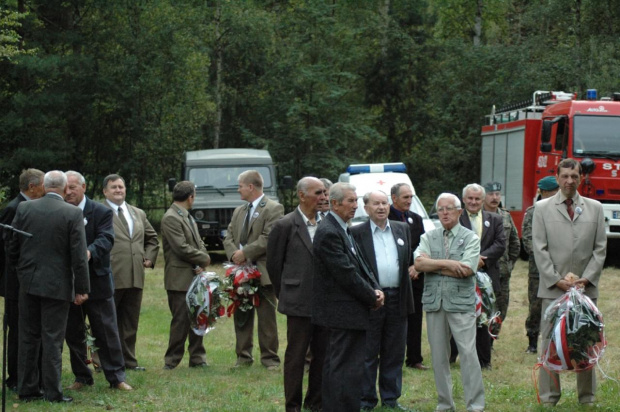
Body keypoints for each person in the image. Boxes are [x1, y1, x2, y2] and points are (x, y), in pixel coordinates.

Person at [8, 170, 90, 403]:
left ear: (43, 186)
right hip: (58, 285)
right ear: (65, 189)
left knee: (28, 338)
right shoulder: (72, 213)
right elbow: (78, 255)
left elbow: (13, 245)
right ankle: (53, 392)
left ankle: (27, 390)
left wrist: (21, 271)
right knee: (53, 339)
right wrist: (82, 288)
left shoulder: (25, 208)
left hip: (29, 283)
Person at [533, 158, 606, 407]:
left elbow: (600, 248)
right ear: (557, 176)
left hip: (586, 290)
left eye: (574, 176)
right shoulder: (542, 209)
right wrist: (556, 279)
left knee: (585, 341)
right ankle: (548, 397)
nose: (569, 181)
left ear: (580, 177)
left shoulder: (595, 208)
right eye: (564, 176)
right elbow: (539, 249)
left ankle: (587, 398)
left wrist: (587, 278)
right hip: (554, 290)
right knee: (550, 342)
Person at [312, 182, 384, 412]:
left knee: (350, 368)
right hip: (340, 313)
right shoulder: (329, 232)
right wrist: (371, 296)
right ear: (334, 203)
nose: (356, 206)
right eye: (351, 201)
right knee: (342, 368)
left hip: (351, 311)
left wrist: (375, 287)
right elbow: (345, 273)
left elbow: (361, 264)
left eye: (356, 200)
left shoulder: (344, 227)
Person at [414, 193, 485, 412]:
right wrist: (448, 264)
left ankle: (475, 406)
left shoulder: (471, 237)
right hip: (435, 303)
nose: (444, 213)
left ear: (459, 211)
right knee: (438, 356)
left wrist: (432, 265)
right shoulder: (429, 236)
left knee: (468, 354)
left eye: (449, 208)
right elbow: (418, 263)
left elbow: (466, 269)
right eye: (440, 209)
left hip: (461, 303)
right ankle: (445, 405)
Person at [63, 171, 132, 391]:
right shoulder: (61, 211)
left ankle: (116, 377)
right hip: (69, 282)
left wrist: (90, 252)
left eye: (73, 187)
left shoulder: (100, 211)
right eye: (65, 187)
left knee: (106, 331)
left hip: (97, 281)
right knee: (74, 332)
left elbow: (107, 238)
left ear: (83, 187)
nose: (68, 191)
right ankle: (82, 376)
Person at [267, 177, 328, 412]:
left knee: (322, 355)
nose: (323, 197)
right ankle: (292, 406)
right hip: (297, 301)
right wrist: (286, 294)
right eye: (318, 193)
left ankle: (315, 403)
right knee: (296, 356)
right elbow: (274, 265)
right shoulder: (285, 225)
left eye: (324, 192)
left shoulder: (327, 223)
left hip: (325, 302)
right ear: (302, 196)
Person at [352, 191, 414, 410]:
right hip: (371, 299)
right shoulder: (356, 233)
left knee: (394, 351)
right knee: (368, 352)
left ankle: (390, 399)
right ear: (366, 208)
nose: (381, 207)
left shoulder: (402, 229)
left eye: (384, 203)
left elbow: (408, 261)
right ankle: (366, 400)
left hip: (398, 297)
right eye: (375, 204)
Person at [223, 170, 284, 369]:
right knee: (241, 316)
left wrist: (246, 253)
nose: (238, 190)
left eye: (240, 186)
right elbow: (229, 237)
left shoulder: (274, 208)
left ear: (251, 186)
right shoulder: (239, 211)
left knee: (267, 318)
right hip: (239, 273)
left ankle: (270, 360)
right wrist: (234, 254)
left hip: (262, 271)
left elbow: (269, 238)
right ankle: (243, 357)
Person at [103, 174, 159, 371]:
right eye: (113, 187)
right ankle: (103, 361)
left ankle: (129, 361)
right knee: (106, 322)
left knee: (130, 322)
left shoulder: (138, 213)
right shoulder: (99, 212)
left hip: (135, 275)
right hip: (109, 275)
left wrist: (149, 258)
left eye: (121, 187)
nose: (118, 190)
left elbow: (152, 239)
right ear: (105, 191)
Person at [0, 168, 45, 391]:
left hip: (29, 280)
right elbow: (8, 249)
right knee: (18, 330)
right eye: (44, 185)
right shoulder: (14, 208)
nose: (47, 189)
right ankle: (15, 377)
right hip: (15, 282)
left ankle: (33, 373)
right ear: (32, 187)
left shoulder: (31, 206)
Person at [452, 183, 505, 369]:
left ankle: (484, 361)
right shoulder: (455, 218)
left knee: (484, 319)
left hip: (487, 276)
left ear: (483, 200)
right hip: (461, 274)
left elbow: (500, 244)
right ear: (464, 199)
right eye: (470, 198)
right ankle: (452, 356)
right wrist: (470, 260)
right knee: (458, 317)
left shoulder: (496, 219)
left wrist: (483, 259)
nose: (473, 202)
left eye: (477, 199)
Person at [161, 181, 211, 369]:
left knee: (198, 317)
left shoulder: (187, 216)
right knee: (181, 320)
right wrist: (204, 259)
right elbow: (181, 248)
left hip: (194, 275)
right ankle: (172, 360)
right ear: (191, 197)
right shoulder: (171, 217)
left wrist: (201, 260)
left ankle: (197, 358)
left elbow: (198, 242)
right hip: (179, 279)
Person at [388, 182, 428, 371]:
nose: (409, 201)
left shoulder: (416, 219)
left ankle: (414, 358)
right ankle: (387, 357)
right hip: (392, 276)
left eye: (411, 197)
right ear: (394, 198)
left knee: (415, 317)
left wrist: (416, 267)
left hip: (415, 277)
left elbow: (422, 246)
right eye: (406, 197)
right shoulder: (384, 216)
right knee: (391, 318)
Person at [522, 176, 559, 354]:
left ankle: (559, 340)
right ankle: (532, 341)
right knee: (536, 306)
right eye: (552, 193)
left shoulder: (564, 211)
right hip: (538, 270)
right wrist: (546, 258)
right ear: (543, 193)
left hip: (561, 269)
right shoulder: (532, 212)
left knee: (560, 305)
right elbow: (528, 241)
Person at [482, 182, 520, 321]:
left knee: (501, 310)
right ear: (483, 196)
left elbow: (515, 243)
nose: (494, 197)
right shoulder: (477, 216)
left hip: (502, 273)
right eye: (490, 194)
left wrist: (509, 264)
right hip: (482, 271)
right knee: (483, 308)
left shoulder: (505, 216)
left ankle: (491, 340)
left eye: (497, 194)